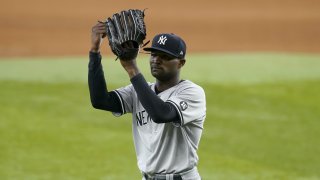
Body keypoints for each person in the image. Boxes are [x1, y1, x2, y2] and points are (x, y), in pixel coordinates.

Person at [88, 22, 206, 180]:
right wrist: (94, 52)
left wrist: (132, 69)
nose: (156, 60)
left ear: (181, 62)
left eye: (165, 56)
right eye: (154, 54)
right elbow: (100, 101)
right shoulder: (140, 90)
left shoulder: (191, 92)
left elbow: (161, 114)